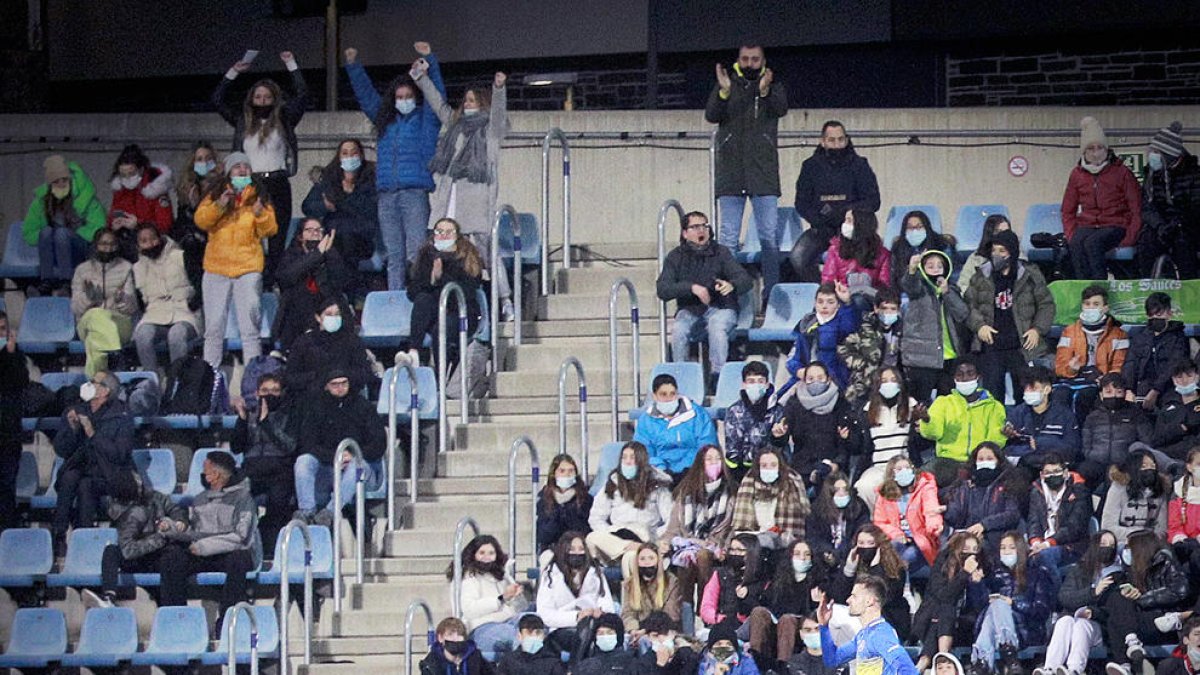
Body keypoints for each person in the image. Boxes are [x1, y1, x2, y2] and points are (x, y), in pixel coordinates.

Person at [344, 43, 444, 291]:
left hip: (414, 193)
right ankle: (396, 301)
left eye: (408, 96)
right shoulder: (385, 120)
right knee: (393, 255)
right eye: (399, 97)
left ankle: (419, 297)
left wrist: (429, 60)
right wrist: (353, 66)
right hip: (386, 195)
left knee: (416, 253)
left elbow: (437, 95)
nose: (403, 101)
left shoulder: (426, 120)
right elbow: (365, 95)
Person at [416, 65, 514, 319]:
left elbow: (500, 114)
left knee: (488, 256)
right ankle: (461, 306)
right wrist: (421, 77)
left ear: (483, 103)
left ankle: (505, 301)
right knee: (449, 257)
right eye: (466, 100)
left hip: (477, 207)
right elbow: (439, 105)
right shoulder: (455, 126)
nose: (467, 103)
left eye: (472, 100)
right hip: (450, 201)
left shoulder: (490, 131)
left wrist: (499, 89)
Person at [211, 50, 307, 283]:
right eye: (258, 97)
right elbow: (217, 100)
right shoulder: (243, 121)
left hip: (277, 181)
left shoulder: (284, 119)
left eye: (267, 97)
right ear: (251, 100)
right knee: (248, 232)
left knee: (277, 235)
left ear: (274, 99)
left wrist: (291, 65)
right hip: (250, 183)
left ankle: (274, 281)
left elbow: (303, 95)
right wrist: (233, 72)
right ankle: (251, 278)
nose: (262, 101)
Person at [705, 43, 787, 307]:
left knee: (768, 237)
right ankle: (729, 295)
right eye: (745, 59)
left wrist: (764, 91)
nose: (750, 63)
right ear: (738, 60)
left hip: (763, 175)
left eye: (755, 59)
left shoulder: (773, 84)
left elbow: (781, 108)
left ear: (763, 60)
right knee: (728, 238)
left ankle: (771, 295)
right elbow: (711, 115)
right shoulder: (728, 83)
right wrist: (724, 92)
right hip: (731, 175)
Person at [194, 151, 278, 367]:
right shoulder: (215, 194)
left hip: (248, 269)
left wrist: (259, 214)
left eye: (246, 167)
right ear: (229, 172)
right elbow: (201, 221)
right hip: (216, 269)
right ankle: (209, 377)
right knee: (213, 330)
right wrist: (220, 205)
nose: (242, 170)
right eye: (237, 167)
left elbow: (271, 229)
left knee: (250, 329)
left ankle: (252, 378)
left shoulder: (259, 195)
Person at [657, 211, 754, 386]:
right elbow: (663, 289)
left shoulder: (721, 252)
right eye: (695, 227)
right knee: (679, 329)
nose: (701, 230)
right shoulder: (675, 257)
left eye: (704, 226)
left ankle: (718, 377)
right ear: (685, 233)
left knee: (717, 325)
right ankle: (681, 378)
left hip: (722, 307)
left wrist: (731, 285)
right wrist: (691, 288)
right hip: (690, 310)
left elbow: (745, 280)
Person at [158, 452, 259, 616]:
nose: (203, 475)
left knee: (239, 559)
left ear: (215, 475)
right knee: (172, 557)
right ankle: (176, 617)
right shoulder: (200, 499)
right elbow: (194, 533)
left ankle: (228, 618)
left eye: (205, 471)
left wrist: (205, 546)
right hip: (203, 553)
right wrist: (171, 529)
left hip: (230, 552)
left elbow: (241, 537)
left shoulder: (244, 499)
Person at [964, 229, 1056, 403]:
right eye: (994, 250)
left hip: (1021, 346)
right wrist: (979, 326)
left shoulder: (1030, 275)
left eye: (1002, 251)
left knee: (1024, 395)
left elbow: (1046, 305)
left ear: (1012, 252)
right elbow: (969, 305)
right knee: (992, 397)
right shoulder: (980, 275)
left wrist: (1037, 329)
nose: (996, 255)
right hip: (991, 345)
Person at [52, 371, 134, 555]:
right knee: (70, 477)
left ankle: (84, 539)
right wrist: (73, 429)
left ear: (105, 391)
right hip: (80, 468)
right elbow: (61, 449)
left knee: (85, 484)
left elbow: (119, 454)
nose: (88, 385)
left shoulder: (122, 415)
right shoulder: (75, 410)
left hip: (108, 474)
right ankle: (59, 534)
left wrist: (92, 433)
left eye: (93, 382)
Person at [294, 369, 386, 526]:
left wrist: (355, 455)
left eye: (344, 383)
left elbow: (379, 444)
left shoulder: (364, 408)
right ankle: (306, 511)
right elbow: (307, 444)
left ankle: (330, 512)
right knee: (304, 461)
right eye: (335, 384)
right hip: (329, 467)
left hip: (361, 468)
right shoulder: (316, 409)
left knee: (357, 467)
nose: (340, 388)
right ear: (326, 386)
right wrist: (335, 458)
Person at [792, 121, 882, 283]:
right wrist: (820, 219)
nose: (837, 144)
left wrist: (847, 211)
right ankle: (823, 292)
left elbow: (873, 201)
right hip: (821, 229)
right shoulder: (810, 167)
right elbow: (801, 203)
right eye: (832, 140)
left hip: (856, 230)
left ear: (846, 140)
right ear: (823, 141)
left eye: (841, 140)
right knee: (798, 258)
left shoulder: (860, 165)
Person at [86, 469, 188, 607]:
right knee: (111, 551)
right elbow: (128, 550)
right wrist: (159, 536)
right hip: (138, 553)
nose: (139, 487)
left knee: (173, 554)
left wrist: (179, 521)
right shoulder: (122, 512)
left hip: (157, 555)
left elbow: (175, 509)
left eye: (139, 484)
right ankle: (109, 596)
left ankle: (170, 607)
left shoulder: (155, 498)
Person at [1061, 117, 1141, 280]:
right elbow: (1067, 209)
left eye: (1099, 148)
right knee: (1076, 244)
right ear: (1084, 151)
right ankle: (1083, 291)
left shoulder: (1121, 172)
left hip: (1115, 224)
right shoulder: (1077, 175)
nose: (1096, 153)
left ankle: (1099, 290)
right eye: (1091, 148)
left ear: (1106, 150)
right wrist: (1071, 234)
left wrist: (1129, 238)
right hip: (1088, 225)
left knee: (1093, 243)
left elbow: (1136, 208)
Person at [1100, 530, 1190, 675]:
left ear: (1140, 547)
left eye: (1129, 547)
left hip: (1163, 621)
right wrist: (1128, 592)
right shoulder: (1131, 569)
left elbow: (1180, 590)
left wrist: (1143, 598)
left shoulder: (1165, 561)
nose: (1126, 551)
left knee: (1115, 622)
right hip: (1138, 620)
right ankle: (1131, 648)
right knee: (1116, 602)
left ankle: (1125, 664)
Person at [300, 138, 378, 298]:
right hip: (332, 237)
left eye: (353, 153)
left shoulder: (370, 181)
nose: (349, 157)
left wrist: (338, 204)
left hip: (360, 238)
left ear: (361, 156)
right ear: (339, 157)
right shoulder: (329, 179)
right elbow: (307, 206)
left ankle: (347, 296)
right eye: (345, 153)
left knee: (346, 242)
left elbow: (369, 210)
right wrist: (325, 206)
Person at [967, 532, 1055, 675]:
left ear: (1020, 550)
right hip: (995, 634)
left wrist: (1013, 603)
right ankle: (1009, 653)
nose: (1006, 552)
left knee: (1000, 604)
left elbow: (1042, 610)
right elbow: (979, 607)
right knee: (995, 606)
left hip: (1026, 631)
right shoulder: (995, 575)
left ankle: (982, 661)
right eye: (1003, 548)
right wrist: (977, 584)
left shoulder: (1037, 573)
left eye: (1011, 548)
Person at [230, 374, 295, 559]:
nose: (270, 395)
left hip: (279, 470)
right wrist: (242, 420)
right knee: (239, 500)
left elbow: (288, 445)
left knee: (278, 505)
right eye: (265, 391)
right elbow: (236, 447)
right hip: (252, 470)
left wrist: (267, 422)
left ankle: (270, 554)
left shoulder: (287, 416)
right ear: (257, 393)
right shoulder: (250, 417)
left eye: (275, 391)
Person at [587, 442, 674, 577]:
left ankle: (640, 550)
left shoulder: (657, 485)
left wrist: (656, 538)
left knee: (631, 557)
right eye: (624, 457)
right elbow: (596, 517)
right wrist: (610, 535)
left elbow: (671, 519)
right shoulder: (612, 483)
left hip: (644, 535)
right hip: (616, 536)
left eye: (632, 458)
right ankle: (636, 548)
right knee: (591, 538)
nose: (627, 462)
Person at [915, 360, 1007, 487]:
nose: (965, 378)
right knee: (922, 479)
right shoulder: (943, 402)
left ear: (978, 377)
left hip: (979, 461)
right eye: (960, 374)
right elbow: (933, 434)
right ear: (954, 378)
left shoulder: (994, 407)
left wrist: (1002, 434)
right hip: (948, 461)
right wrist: (926, 420)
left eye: (970, 374)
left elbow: (995, 443)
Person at [405, 217, 484, 365]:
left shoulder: (468, 257)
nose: (444, 235)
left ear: (457, 236)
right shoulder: (426, 256)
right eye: (440, 231)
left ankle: (440, 378)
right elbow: (412, 292)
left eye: (449, 232)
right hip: (436, 312)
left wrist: (442, 278)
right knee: (423, 299)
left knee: (441, 329)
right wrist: (432, 280)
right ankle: (413, 351)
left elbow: (467, 293)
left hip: (462, 312)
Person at [1039, 530, 1119, 675]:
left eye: (1111, 545)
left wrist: (1093, 612)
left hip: (1099, 628)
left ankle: (1074, 670)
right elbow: (1065, 597)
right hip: (1072, 621)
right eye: (1103, 544)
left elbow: (1115, 611)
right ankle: (1049, 668)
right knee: (1065, 621)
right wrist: (1093, 592)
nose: (1107, 548)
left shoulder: (1117, 575)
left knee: (1082, 625)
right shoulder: (1079, 570)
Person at [663, 445, 734, 606]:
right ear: (700, 463)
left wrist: (725, 547)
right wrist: (664, 543)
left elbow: (733, 529)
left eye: (717, 459)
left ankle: (704, 607)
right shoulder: (686, 493)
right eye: (709, 459)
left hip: (716, 547)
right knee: (687, 557)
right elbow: (673, 528)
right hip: (688, 544)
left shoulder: (731, 492)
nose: (714, 463)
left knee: (702, 555)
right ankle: (685, 609)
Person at [771, 362, 860, 486]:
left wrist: (836, 464)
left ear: (828, 379)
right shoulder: (794, 403)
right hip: (802, 467)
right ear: (804, 381)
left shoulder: (841, 403)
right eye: (811, 379)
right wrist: (778, 435)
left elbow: (851, 445)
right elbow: (782, 439)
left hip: (833, 466)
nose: (815, 382)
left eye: (820, 378)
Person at [23, 155, 106, 288]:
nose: (61, 184)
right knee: (46, 232)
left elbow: (100, 230)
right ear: (50, 184)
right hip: (54, 252)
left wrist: (75, 230)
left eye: (64, 180)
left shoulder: (86, 198)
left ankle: (66, 282)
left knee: (61, 233)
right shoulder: (41, 202)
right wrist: (49, 236)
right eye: (56, 181)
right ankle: (46, 281)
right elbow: (29, 233)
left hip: (80, 250)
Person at [912, 532, 987, 672]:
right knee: (946, 608)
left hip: (962, 628)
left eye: (975, 549)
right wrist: (964, 574)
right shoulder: (942, 567)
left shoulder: (980, 569)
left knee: (946, 610)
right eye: (966, 548)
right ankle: (944, 657)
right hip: (927, 623)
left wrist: (977, 584)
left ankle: (926, 661)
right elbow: (944, 596)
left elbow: (979, 606)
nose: (971, 553)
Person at [825, 525, 912, 643]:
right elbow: (839, 597)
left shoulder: (896, 569)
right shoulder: (854, 565)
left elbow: (882, 598)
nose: (865, 547)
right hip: (856, 619)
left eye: (870, 543)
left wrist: (876, 569)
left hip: (888, 619)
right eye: (861, 543)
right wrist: (849, 570)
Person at [901, 249, 968, 402]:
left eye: (939, 266)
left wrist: (947, 293)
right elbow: (909, 286)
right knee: (920, 406)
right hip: (922, 359)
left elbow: (962, 313)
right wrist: (911, 269)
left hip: (949, 357)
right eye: (930, 266)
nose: (935, 269)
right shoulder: (918, 290)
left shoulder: (952, 290)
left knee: (946, 406)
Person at [817, 574, 918, 675]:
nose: (848, 600)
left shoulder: (880, 635)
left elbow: (908, 670)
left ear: (869, 601)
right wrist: (824, 626)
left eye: (854, 596)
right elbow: (832, 660)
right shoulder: (863, 635)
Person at [274, 218, 349, 351]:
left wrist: (329, 254)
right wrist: (316, 255)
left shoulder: (331, 253)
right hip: (296, 317)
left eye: (319, 230)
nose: (315, 233)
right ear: (300, 236)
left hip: (324, 311)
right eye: (309, 230)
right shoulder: (290, 256)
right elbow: (287, 278)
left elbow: (340, 281)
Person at [131, 223, 198, 372]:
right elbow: (140, 301)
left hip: (185, 313)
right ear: (138, 246)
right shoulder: (137, 268)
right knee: (142, 334)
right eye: (144, 241)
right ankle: (152, 381)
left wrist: (191, 305)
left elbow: (199, 285)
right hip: (154, 314)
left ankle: (177, 381)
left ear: (160, 238)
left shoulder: (180, 256)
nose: (150, 243)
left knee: (176, 334)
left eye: (153, 238)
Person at [1139, 121, 1200, 278]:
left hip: (1186, 227)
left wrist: (1177, 224)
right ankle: (1149, 290)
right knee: (1146, 243)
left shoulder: (1193, 175)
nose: (1152, 155)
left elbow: (1195, 208)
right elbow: (1146, 206)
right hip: (1161, 225)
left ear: (1168, 155)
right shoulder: (1151, 175)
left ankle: (1190, 291)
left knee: (1184, 245)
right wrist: (1159, 225)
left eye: (1156, 152)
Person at [447, 534, 523, 661]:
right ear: (473, 554)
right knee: (515, 636)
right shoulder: (468, 577)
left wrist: (515, 597)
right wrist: (501, 598)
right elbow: (469, 609)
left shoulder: (498, 575)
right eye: (482, 552)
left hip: (507, 620)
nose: (487, 557)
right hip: (481, 627)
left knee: (533, 623)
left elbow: (513, 607)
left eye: (491, 553)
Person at [71, 229, 137, 376]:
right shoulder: (82, 270)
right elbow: (75, 308)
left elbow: (132, 309)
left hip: (118, 323)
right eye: (104, 244)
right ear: (95, 245)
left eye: (113, 244)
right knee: (96, 314)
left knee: (95, 341)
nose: (108, 248)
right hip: (87, 324)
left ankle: (95, 386)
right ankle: (115, 353)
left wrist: (122, 299)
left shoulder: (126, 267)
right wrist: (90, 298)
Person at [633, 374, 719, 481]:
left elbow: (707, 445)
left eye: (672, 394)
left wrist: (687, 467)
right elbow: (643, 451)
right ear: (654, 396)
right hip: (659, 474)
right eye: (663, 394)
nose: (669, 398)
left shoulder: (697, 414)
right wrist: (660, 468)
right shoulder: (646, 420)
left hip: (693, 472)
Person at [853, 367, 919, 507]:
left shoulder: (912, 405)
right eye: (884, 381)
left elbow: (921, 441)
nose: (889, 384)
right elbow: (862, 446)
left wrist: (922, 422)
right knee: (863, 486)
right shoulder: (867, 410)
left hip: (904, 465)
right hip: (879, 467)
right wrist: (847, 438)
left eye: (893, 380)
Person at [285, 295, 374, 399]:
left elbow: (364, 373)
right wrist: (318, 377)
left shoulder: (352, 341)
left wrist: (341, 377)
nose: (334, 318)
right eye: (329, 314)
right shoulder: (303, 343)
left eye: (337, 314)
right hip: (312, 400)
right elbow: (291, 377)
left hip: (347, 399)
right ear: (318, 317)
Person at [535, 532, 616, 645]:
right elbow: (545, 614)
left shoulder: (595, 573)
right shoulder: (550, 575)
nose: (577, 553)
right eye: (572, 549)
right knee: (579, 638)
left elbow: (607, 605)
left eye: (581, 549)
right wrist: (576, 616)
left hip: (593, 626)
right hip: (562, 629)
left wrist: (599, 612)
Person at [748, 542, 824, 662]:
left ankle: (783, 665)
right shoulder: (780, 578)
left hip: (800, 626)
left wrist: (815, 601)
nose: (802, 558)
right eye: (797, 554)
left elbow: (813, 613)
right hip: (775, 622)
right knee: (759, 612)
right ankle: (754, 661)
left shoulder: (818, 580)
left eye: (807, 554)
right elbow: (767, 602)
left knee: (787, 619)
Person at [780, 283, 858, 395]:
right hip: (807, 378)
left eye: (830, 302)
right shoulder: (806, 325)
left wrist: (847, 303)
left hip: (834, 380)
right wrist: (799, 371)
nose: (824, 306)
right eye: (820, 302)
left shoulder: (842, 324)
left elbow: (849, 327)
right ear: (814, 303)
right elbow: (793, 358)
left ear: (838, 305)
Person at [1079, 373, 1152, 491]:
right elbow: (1086, 442)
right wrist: (1090, 454)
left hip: (1124, 463)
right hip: (1096, 462)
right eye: (1108, 392)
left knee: (1115, 477)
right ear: (1101, 394)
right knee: (1083, 473)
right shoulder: (1093, 416)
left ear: (1124, 393)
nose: (1113, 396)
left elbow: (1146, 440)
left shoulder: (1135, 414)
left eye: (1118, 392)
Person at [873, 456, 943, 576]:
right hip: (897, 539)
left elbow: (931, 509)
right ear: (892, 473)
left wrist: (934, 526)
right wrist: (897, 534)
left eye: (907, 467)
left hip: (920, 538)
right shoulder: (884, 494)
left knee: (908, 555)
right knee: (891, 552)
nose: (904, 471)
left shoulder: (925, 488)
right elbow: (880, 522)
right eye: (899, 469)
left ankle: (905, 585)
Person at [944, 442, 1021, 550]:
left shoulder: (1008, 484)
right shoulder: (965, 485)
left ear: (998, 461)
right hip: (967, 537)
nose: (985, 462)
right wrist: (947, 509)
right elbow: (956, 518)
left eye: (990, 459)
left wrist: (984, 525)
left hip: (996, 539)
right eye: (980, 459)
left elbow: (1012, 515)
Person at [1002, 365, 1081, 470]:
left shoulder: (1065, 415)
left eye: (1033, 388)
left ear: (1047, 389)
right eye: (1026, 388)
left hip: (1054, 467)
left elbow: (1072, 448)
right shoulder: (1018, 413)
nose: (1027, 392)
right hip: (1025, 466)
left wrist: (1041, 443)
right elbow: (1009, 450)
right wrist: (1010, 435)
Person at [1122, 292, 1190, 410]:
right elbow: (1130, 364)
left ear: (1169, 313)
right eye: (1151, 315)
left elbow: (1174, 366)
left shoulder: (1179, 338)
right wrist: (1128, 389)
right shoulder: (1140, 337)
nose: (1155, 319)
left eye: (1159, 314)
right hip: (1141, 388)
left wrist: (1155, 390)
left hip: (1169, 389)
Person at [729, 448, 810, 546]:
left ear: (780, 466)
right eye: (764, 465)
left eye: (773, 465)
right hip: (755, 542)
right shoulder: (749, 482)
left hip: (784, 542)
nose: (768, 468)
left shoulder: (792, 481)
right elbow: (742, 525)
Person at [1027, 453, 1093, 570]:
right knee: (1020, 554)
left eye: (1057, 471)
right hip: (1041, 544)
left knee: (1044, 556)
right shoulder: (1036, 491)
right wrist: (1036, 542)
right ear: (1042, 475)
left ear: (1065, 472)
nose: (1053, 475)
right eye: (1048, 473)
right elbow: (1034, 521)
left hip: (1071, 546)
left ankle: (1053, 588)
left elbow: (1075, 527)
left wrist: (1049, 543)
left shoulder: (1079, 490)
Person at [106, 143, 174, 258]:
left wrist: (139, 224)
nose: (127, 178)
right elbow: (112, 216)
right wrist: (113, 226)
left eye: (131, 173)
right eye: (123, 175)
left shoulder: (156, 189)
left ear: (141, 170)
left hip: (152, 241)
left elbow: (165, 225)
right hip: (124, 236)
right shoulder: (120, 191)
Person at [172, 140, 221, 296]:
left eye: (208, 158)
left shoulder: (222, 185)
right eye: (199, 159)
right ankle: (199, 294)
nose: (204, 163)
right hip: (194, 241)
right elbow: (181, 222)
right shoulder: (187, 188)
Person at [837, 288, 903, 404]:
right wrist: (861, 364)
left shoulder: (903, 332)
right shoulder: (865, 328)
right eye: (884, 308)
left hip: (892, 385)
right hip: (866, 385)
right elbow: (843, 349)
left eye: (893, 309)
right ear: (876, 308)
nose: (888, 312)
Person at [722, 361, 784, 483]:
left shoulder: (777, 410)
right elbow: (732, 448)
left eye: (760, 381)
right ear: (744, 384)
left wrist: (778, 437)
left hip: (770, 468)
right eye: (751, 381)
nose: (756, 385)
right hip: (743, 471)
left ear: (767, 384)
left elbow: (780, 446)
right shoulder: (734, 411)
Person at [1054, 284, 1129, 383]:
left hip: (1104, 384)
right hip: (1075, 380)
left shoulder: (1119, 335)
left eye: (1096, 304)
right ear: (1082, 306)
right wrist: (1072, 369)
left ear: (1105, 308)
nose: (1091, 308)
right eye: (1087, 304)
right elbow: (1060, 368)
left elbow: (1119, 367)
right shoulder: (1069, 332)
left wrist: (1103, 379)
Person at [821, 209, 892, 312]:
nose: (845, 225)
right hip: (841, 298)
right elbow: (828, 280)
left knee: (858, 300)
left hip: (869, 300)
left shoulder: (882, 254)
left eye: (849, 221)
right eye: (845, 220)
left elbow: (884, 285)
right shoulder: (835, 250)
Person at [699, 533, 769, 628]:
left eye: (740, 550)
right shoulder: (720, 574)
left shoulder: (763, 578)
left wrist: (746, 597)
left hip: (749, 627)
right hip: (721, 624)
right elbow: (707, 605)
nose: (735, 554)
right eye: (732, 550)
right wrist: (719, 619)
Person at [1102, 450, 1170, 541]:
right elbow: (1108, 526)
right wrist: (1139, 535)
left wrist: (1152, 539)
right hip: (1123, 541)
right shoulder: (1118, 488)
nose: (1149, 470)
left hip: (1151, 542)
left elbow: (1162, 528)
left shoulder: (1159, 489)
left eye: (1153, 466)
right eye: (1144, 466)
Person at [806, 472, 870, 567]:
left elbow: (861, 532)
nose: (841, 493)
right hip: (824, 557)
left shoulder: (859, 507)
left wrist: (840, 553)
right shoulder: (817, 509)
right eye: (837, 490)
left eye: (845, 490)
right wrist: (827, 551)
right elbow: (813, 537)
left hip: (851, 556)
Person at [0, 313, 28, 531]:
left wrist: (10, 353)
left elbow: (20, 383)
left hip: (8, 434)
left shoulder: (15, 355)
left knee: (6, 488)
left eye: (3, 328)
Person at [537, 454, 593, 558]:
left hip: (578, 548)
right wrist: (557, 516)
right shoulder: (544, 499)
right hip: (553, 547)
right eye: (562, 471)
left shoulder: (586, 498)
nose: (567, 475)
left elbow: (587, 529)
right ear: (554, 474)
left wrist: (569, 514)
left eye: (571, 471)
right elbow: (542, 535)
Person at [622, 544, 682, 633]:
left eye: (651, 558)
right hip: (638, 630)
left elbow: (671, 615)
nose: (647, 562)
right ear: (637, 562)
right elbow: (628, 614)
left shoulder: (672, 582)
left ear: (658, 560)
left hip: (665, 631)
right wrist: (633, 630)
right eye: (642, 559)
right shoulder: (629, 584)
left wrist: (646, 630)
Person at [890, 209, 953, 288]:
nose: (914, 231)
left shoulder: (941, 245)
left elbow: (948, 277)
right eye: (910, 227)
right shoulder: (898, 248)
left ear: (927, 228)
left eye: (919, 227)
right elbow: (894, 280)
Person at [1150, 360, 1200, 461]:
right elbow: (1157, 440)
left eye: (1189, 376)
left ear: (1197, 376)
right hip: (1168, 459)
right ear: (1174, 380)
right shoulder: (1168, 407)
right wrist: (1181, 428)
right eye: (1179, 377)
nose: (1185, 381)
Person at [957, 214, 1013, 295]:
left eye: (1007, 232)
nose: (1004, 236)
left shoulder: (1019, 256)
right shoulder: (976, 259)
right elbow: (963, 285)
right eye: (999, 232)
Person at [420, 616, 496, 675]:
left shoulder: (475, 657)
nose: (455, 639)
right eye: (450, 634)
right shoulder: (431, 663)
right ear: (440, 638)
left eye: (459, 635)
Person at [497, 613, 568, 675]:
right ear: (519, 636)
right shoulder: (508, 661)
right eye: (529, 633)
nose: (533, 637)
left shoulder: (553, 663)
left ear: (543, 636)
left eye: (538, 633)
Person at [1168, 448, 1200, 577]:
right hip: (1185, 545)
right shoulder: (1178, 491)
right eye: (1199, 464)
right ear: (1189, 467)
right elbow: (1174, 525)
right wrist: (1181, 539)